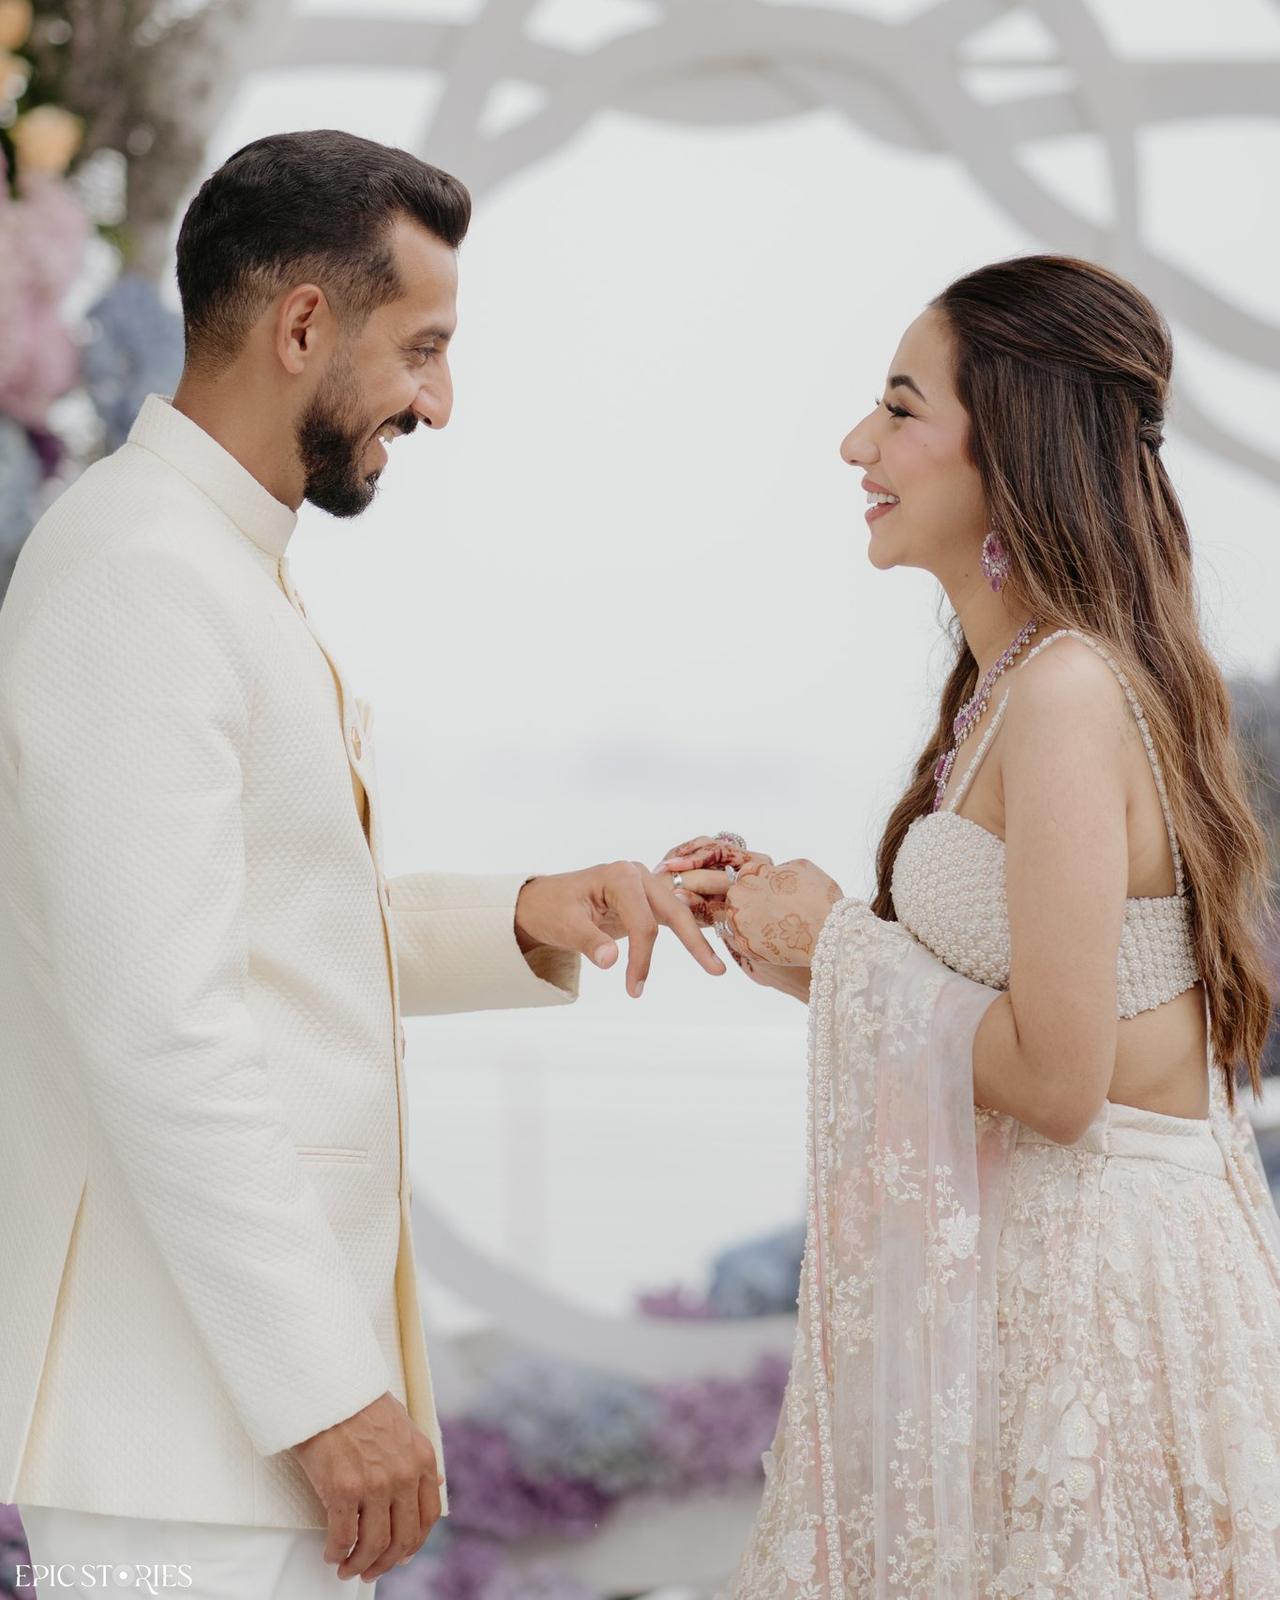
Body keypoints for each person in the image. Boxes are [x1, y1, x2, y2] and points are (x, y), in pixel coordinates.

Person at [0, 129, 727, 1597]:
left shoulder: (206, 563)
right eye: (425, 349)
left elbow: (255, 937)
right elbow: (162, 1025)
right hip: (185, 1441)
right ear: (304, 327)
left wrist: (527, 920)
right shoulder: (144, 573)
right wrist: (329, 1389)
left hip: (215, 1441)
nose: (440, 403)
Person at [655, 255, 1280, 1595]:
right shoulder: (1014, 681)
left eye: (896, 409)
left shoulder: (1065, 691)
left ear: (1014, 442)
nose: (855, 445)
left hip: (1100, 1308)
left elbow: (1061, 1080)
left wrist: (840, 947)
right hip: (1051, 1280)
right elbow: (1012, 992)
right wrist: (790, 939)